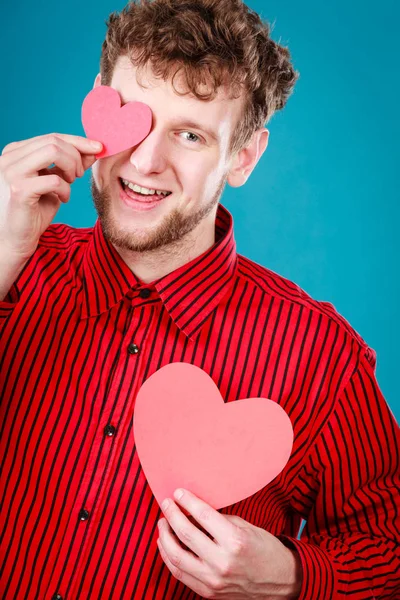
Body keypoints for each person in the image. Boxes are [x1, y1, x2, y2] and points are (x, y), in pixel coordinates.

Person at [0, 0, 398, 598]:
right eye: (132, 118)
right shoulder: (14, 268)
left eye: (188, 134)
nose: (145, 160)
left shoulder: (324, 358)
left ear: (243, 156)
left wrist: (291, 576)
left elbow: (389, 551)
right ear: (96, 103)